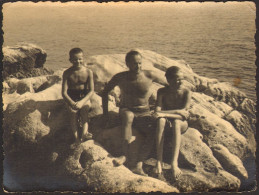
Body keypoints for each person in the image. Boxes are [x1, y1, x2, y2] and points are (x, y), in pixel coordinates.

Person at [102, 49, 166, 176]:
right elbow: (105, 92)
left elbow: (169, 86)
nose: (138, 66)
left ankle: (139, 164)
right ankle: (124, 155)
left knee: (155, 129)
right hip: (127, 110)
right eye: (134, 63)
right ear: (127, 64)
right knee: (128, 116)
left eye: (140, 63)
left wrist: (161, 102)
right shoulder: (120, 77)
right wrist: (105, 114)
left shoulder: (149, 75)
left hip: (145, 113)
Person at [153, 66, 191, 181]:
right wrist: (175, 112)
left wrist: (165, 114)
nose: (180, 82)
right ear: (169, 80)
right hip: (166, 121)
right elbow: (157, 112)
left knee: (176, 122)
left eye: (182, 79)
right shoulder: (162, 91)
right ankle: (158, 161)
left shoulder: (186, 92)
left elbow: (184, 114)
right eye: (177, 79)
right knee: (160, 121)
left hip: (180, 123)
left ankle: (174, 163)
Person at [62, 48, 94, 143]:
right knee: (73, 113)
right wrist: (71, 103)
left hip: (83, 96)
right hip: (71, 96)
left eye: (80, 59)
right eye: (75, 59)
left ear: (83, 58)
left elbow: (91, 90)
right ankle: (76, 138)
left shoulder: (88, 72)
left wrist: (82, 102)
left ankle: (84, 134)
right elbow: (64, 92)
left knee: (84, 111)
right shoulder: (67, 73)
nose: (78, 61)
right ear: (70, 60)